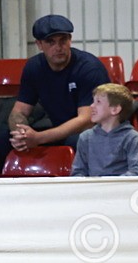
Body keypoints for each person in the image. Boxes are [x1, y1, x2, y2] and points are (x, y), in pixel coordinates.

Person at [7, 15, 110, 157]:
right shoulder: (34, 67)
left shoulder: (89, 68)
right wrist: (21, 134)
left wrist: (38, 138)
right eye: (51, 42)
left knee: (79, 141)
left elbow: (87, 120)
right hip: (59, 129)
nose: (58, 47)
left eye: (63, 40)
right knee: (3, 140)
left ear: (70, 40)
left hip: (97, 130)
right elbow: (19, 112)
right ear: (39, 44)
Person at [71, 84, 138, 176]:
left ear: (115, 109)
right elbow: (78, 171)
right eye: (93, 101)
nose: (91, 106)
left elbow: (137, 170)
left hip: (121, 189)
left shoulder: (132, 137)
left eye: (98, 102)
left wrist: (111, 187)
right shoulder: (85, 137)